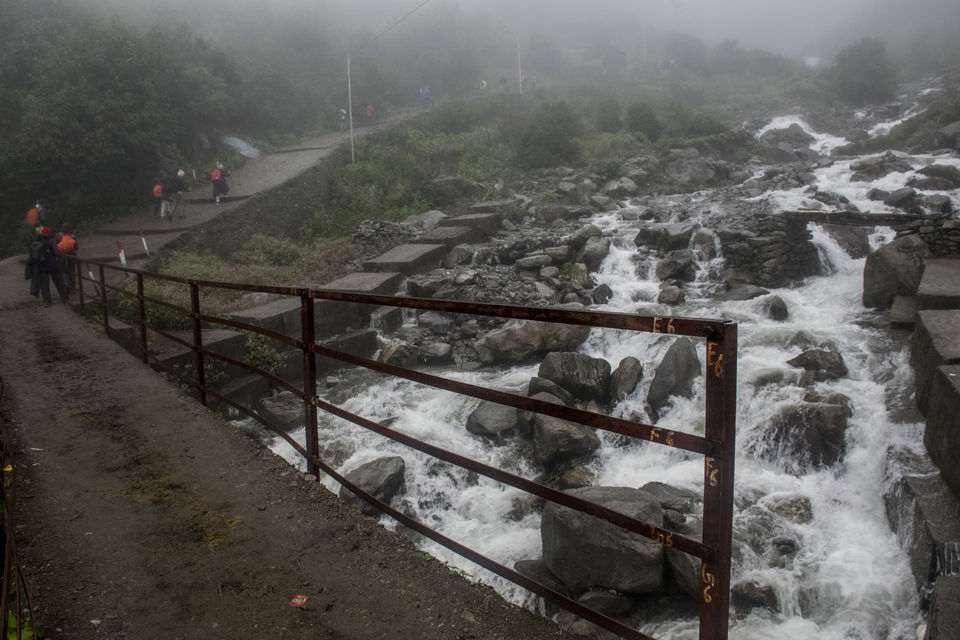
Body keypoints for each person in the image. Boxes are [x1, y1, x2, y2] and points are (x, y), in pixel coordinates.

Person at [25, 226, 67, 306]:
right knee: (58, 281)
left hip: (41, 266)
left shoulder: (36, 241)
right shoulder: (51, 240)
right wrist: (61, 253)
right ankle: (64, 298)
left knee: (44, 284)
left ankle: (47, 301)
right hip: (52, 265)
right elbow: (56, 252)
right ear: (48, 233)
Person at [54, 223, 79, 292]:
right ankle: (73, 287)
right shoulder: (73, 236)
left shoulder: (58, 236)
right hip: (71, 256)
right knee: (72, 271)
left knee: (64, 271)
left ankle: (66, 285)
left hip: (62, 256)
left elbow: (55, 246)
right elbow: (76, 248)